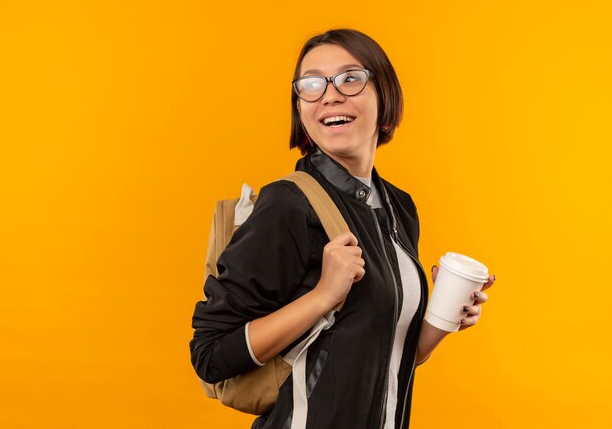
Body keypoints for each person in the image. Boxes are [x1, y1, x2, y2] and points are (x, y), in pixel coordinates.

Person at [190, 29, 495, 429]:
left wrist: (441, 319)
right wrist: (322, 297)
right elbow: (210, 355)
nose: (330, 95)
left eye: (350, 78)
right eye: (312, 85)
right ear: (300, 108)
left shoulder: (399, 207)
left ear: (384, 96)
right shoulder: (288, 204)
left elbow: (382, 356)